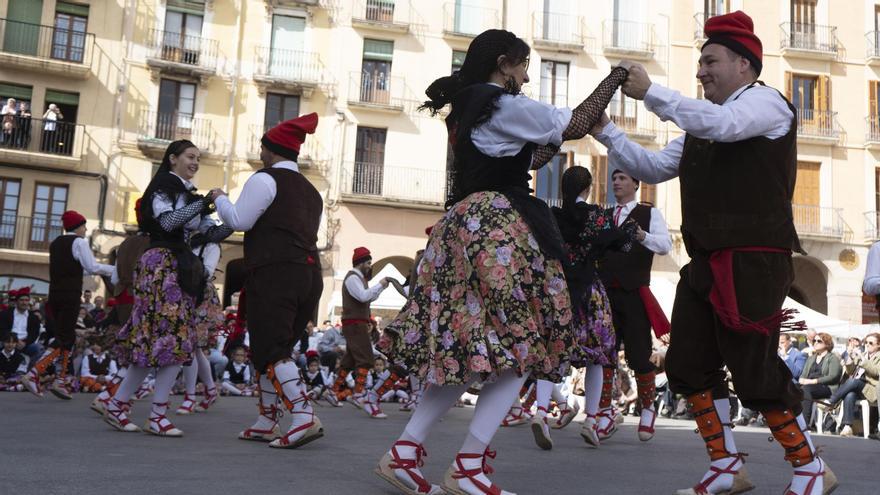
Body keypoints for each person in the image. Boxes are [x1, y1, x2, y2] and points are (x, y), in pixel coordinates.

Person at [588, 11, 835, 494]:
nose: (701, 71)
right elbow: (653, 167)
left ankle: (811, 467)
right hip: (706, 261)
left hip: (753, 261)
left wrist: (653, 93)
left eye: (710, 61)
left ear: (744, 64)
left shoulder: (765, 104)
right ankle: (725, 465)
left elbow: (725, 125)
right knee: (686, 363)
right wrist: (607, 131)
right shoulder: (704, 124)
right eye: (700, 62)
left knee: (753, 366)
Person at [375, 28, 626, 495]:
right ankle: (468, 465)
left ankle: (406, 452)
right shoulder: (499, 102)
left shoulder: (470, 106)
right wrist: (617, 76)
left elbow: (529, 155)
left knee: (469, 349)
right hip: (497, 228)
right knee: (522, 346)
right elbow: (571, 125)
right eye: (525, 66)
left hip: (465, 224)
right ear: (506, 63)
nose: (527, 77)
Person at [104, 139, 232, 436]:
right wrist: (205, 202)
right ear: (173, 158)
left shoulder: (185, 192)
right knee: (173, 340)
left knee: (161, 341)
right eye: (190, 156)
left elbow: (211, 232)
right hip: (163, 265)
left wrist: (242, 219)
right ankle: (155, 414)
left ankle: (120, 405)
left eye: (198, 158)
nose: (195, 162)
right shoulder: (163, 185)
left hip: (176, 268)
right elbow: (169, 221)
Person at [213, 113, 324, 449]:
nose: (260, 153)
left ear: (269, 149)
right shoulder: (312, 191)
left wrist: (219, 197)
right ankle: (267, 420)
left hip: (276, 274)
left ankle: (304, 416)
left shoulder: (264, 179)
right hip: (308, 274)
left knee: (272, 348)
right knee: (270, 348)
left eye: (262, 148)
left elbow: (239, 219)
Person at [530, 166, 637, 450]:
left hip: (559, 291)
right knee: (597, 356)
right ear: (587, 187)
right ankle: (591, 420)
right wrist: (628, 231)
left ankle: (541, 413)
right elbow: (621, 245)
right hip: (589, 290)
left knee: (549, 352)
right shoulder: (595, 216)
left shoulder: (552, 216)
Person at [595, 169, 671, 442]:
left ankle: (647, 408)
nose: (616, 181)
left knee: (639, 356)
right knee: (604, 355)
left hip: (634, 293)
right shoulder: (604, 216)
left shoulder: (650, 214)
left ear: (636, 184)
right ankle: (604, 412)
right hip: (605, 295)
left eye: (623, 178)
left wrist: (642, 237)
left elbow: (665, 246)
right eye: (613, 177)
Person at [21, 210, 115, 400]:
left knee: (65, 336)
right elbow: (92, 267)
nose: (86, 229)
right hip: (69, 295)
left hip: (54, 294)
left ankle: (61, 380)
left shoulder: (56, 243)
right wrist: (115, 269)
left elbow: (74, 268)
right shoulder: (79, 242)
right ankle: (34, 374)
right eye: (83, 225)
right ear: (78, 226)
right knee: (64, 337)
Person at [91, 200, 152, 415]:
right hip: (141, 298)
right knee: (142, 353)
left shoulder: (126, 242)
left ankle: (113, 397)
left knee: (134, 351)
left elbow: (116, 276)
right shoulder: (152, 243)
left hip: (123, 297)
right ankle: (111, 397)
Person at [330, 247, 392, 417]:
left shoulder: (358, 278)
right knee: (366, 358)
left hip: (356, 323)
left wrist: (381, 288)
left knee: (350, 360)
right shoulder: (353, 278)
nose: (370, 266)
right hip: (355, 323)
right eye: (368, 263)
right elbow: (364, 297)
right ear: (361, 263)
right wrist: (380, 285)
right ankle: (358, 394)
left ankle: (334, 390)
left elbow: (368, 297)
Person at [175, 236, 223, 415]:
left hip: (200, 296)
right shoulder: (187, 242)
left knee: (191, 346)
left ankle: (190, 396)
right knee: (194, 348)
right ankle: (210, 390)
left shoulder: (212, 245)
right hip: (187, 294)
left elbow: (207, 272)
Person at [820, 332, 880, 437]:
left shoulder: (874, 356)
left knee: (854, 381)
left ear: (878, 345)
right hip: (859, 387)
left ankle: (831, 401)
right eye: (866, 342)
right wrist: (849, 356)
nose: (867, 345)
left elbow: (876, 372)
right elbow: (850, 371)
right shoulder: (864, 355)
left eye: (871, 343)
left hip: (872, 389)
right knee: (850, 393)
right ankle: (847, 426)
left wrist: (862, 359)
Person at [799, 332, 842, 428]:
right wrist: (801, 380)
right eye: (814, 340)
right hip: (809, 385)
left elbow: (833, 376)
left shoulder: (832, 358)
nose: (815, 343)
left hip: (826, 387)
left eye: (819, 341)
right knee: (791, 388)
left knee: (806, 389)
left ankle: (804, 424)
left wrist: (814, 381)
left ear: (827, 344)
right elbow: (803, 375)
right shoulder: (811, 358)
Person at [0, 287, 43, 367]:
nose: (24, 303)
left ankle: (30, 373)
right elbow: (2, 329)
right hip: (7, 342)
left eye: (26, 300)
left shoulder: (33, 317)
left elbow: (34, 334)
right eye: (22, 300)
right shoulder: (5, 314)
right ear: (16, 301)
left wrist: (25, 342)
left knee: (39, 348)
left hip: (25, 344)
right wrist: (14, 340)